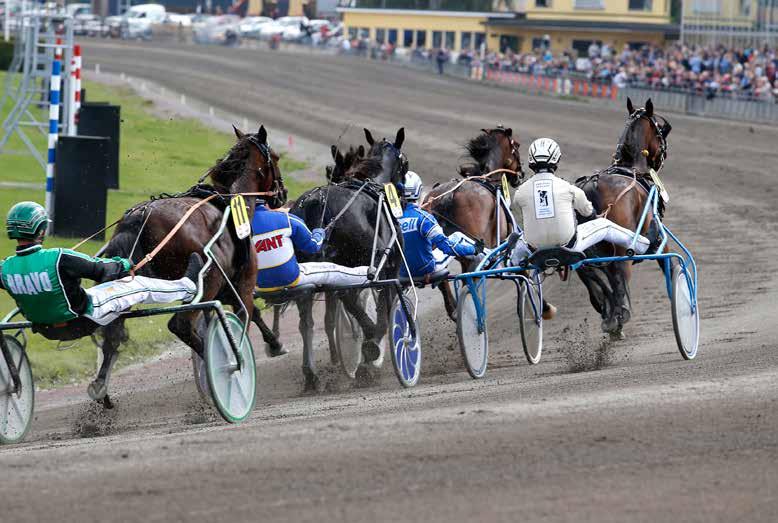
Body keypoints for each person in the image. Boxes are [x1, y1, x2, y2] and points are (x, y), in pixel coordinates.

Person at [0, 201, 203, 329]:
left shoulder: (5, 269)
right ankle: (187, 288)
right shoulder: (59, 257)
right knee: (138, 285)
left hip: (44, 328)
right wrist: (123, 263)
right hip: (85, 317)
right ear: (42, 231)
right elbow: (102, 268)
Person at [509, 138, 652, 267]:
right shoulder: (568, 188)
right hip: (569, 247)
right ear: (556, 160)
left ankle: (510, 265)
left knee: (520, 238)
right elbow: (587, 212)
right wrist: (594, 216)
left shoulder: (520, 192)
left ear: (531, 162)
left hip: (535, 250)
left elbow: (520, 213)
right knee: (605, 225)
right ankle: (643, 245)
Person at [251, 199, 370, 292]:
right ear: (266, 204)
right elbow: (312, 246)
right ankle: (368, 274)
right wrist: (319, 232)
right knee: (330, 270)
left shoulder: (237, 229)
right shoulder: (287, 219)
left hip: (259, 285)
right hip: (291, 279)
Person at [398, 171, 481, 279]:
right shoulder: (425, 219)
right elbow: (448, 248)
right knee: (457, 237)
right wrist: (474, 250)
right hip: (425, 269)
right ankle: (485, 253)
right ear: (418, 190)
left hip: (401, 272)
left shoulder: (392, 219)